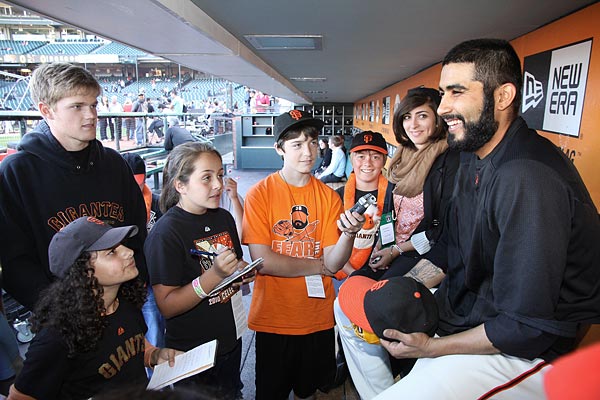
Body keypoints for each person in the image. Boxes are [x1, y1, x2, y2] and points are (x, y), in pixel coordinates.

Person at [372, 38, 600, 399]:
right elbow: (451, 248)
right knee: (365, 314)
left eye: (457, 92)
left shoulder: (527, 176)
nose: (444, 106)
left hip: (530, 350)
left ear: (503, 96)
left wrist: (432, 348)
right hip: (474, 309)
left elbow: (524, 326)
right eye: (444, 92)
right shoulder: (471, 154)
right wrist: (407, 284)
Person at [333, 90, 459, 398]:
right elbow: (392, 216)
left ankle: (386, 392)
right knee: (344, 305)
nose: (413, 125)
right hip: (394, 252)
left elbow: (442, 234)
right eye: (407, 117)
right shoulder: (402, 160)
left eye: (422, 116)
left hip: (426, 257)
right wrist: (386, 248)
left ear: (438, 120)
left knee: (374, 311)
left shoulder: (449, 163)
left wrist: (397, 250)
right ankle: (382, 389)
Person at [0, 63, 148, 313]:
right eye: (77, 106)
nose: (91, 115)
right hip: (63, 318)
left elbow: (136, 235)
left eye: (93, 105)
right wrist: (58, 313)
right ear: (46, 110)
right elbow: (15, 262)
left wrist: (130, 297)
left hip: (122, 306)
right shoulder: (18, 172)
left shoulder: (114, 163)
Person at [242, 110, 365, 400]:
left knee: (308, 393)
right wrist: (318, 265)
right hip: (274, 317)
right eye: (296, 144)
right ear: (279, 149)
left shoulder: (328, 197)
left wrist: (348, 234)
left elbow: (334, 263)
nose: (307, 151)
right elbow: (264, 261)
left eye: (311, 142)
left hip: (317, 319)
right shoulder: (260, 194)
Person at [8, 216, 180, 399]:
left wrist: (154, 355)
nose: (129, 252)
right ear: (83, 271)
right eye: (112, 252)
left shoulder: (125, 303)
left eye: (123, 244)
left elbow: (134, 347)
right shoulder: (58, 338)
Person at [144, 142, 255, 399]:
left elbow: (234, 272)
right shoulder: (166, 233)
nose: (218, 184)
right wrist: (214, 275)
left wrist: (241, 272)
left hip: (229, 340)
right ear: (180, 186)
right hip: (190, 353)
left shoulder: (223, 218)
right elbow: (167, 305)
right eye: (206, 178)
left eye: (219, 174)